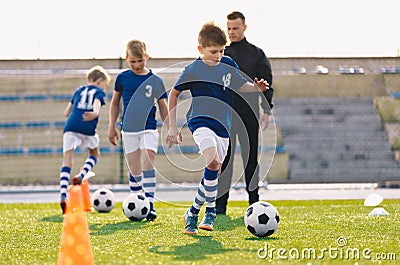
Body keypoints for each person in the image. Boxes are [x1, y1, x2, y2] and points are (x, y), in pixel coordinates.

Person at [166, 21, 269, 234]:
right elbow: (174, 93)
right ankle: (210, 212)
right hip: (200, 122)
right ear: (200, 49)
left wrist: (256, 88)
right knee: (212, 161)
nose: (219, 55)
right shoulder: (193, 69)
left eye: (221, 50)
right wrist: (172, 127)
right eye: (214, 51)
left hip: (223, 126)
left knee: (214, 169)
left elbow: (241, 85)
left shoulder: (229, 63)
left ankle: (192, 212)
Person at [216, 11, 274, 215]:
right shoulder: (221, 54)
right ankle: (220, 207)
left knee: (250, 160)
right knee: (225, 160)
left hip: (249, 114)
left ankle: (254, 204)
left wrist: (267, 110)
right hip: (225, 116)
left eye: (235, 28)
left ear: (244, 28)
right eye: (229, 28)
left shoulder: (257, 54)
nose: (231, 32)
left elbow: (267, 84)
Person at [108, 39, 168, 221]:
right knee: (134, 168)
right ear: (126, 59)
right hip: (128, 129)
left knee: (148, 162)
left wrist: (171, 128)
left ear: (146, 57)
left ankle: (149, 204)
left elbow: (163, 106)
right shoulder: (122, 78)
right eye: (132, 61)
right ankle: (136, 201)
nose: (136, 65)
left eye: (140, 61)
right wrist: (111, 127)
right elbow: (114, 103)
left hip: (148, 128)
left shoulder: (156, 80)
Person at [59, 65, 111, 214]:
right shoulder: (99, 92)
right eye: (105, 85)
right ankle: (81, 175)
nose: (104, 88)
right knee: (94, 154)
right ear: (100, 81)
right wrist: (94, 113)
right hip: (87, 126)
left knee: (67, 162)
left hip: (70, 126)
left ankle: (63, 195)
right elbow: (95, 106)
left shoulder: (79, 90)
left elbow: (66, 112)